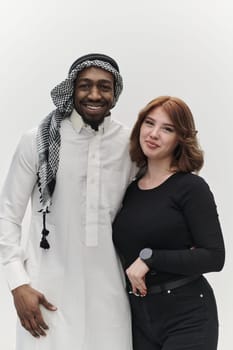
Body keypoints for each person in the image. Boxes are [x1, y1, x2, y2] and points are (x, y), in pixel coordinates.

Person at [0, 53, 136, 350]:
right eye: (85, 85)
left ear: (116, 93)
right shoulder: (38, 140)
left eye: (104, 86)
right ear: (71, 88)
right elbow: (7, 214)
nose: (95, 94)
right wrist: (17, 284)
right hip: (46, 292)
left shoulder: (130, 145)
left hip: (109, 297)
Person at [112, 96, 225, 350]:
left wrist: (150, 259)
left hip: (188, 317)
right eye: (149, 123)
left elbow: (215, 257)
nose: (154, 134)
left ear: (180, 138)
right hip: (140, 318)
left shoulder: (191, 188)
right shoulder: (130, 191)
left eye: (167, 129)